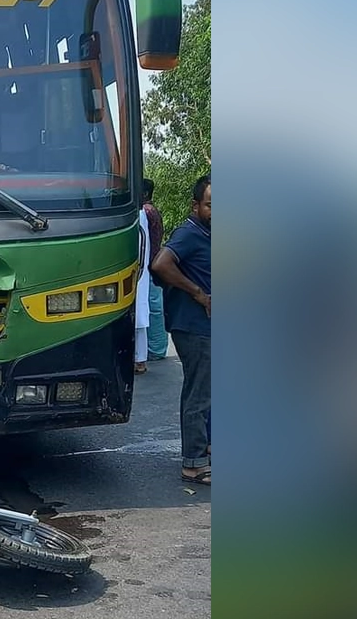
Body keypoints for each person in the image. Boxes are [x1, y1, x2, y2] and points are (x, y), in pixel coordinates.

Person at [151, 173, 211, 484]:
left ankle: (208, 449)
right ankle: (194, 463)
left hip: (208, 327)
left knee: (211, 392)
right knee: (198, 394)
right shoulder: (189, 233)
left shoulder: (209, 233)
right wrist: (198, 293)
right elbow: (160, 264)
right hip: (194, 327)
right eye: (212, 205)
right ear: (196, 205)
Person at [143, 179, 168, 362]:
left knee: (153, 308)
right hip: (154, 263)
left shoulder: (146, 211)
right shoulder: (153, 210)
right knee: (155, 307)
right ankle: (158, 347)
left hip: (149, 265)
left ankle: (157, 349)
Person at [134, 206, 151, 373]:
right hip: (138, 270)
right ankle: (139, 359)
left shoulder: (139, 214)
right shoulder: (141, 214)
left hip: (137, 269)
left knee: (138, 317)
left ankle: (139, 360)